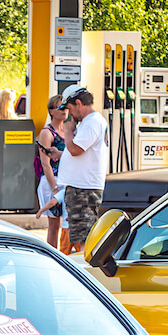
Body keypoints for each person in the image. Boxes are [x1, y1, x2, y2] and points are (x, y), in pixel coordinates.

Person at [57, 85, 108, 252]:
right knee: (82, 235)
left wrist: (68, 131)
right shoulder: (90, 122)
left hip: (83, 190)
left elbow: (75, 150)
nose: (69, 114)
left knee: (83, 239)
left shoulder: (92, 122)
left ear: (78, 103)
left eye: (70, 109)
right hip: (82, 188)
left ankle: (83, 272)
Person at [34, 93, 69, 252]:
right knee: (54, 224)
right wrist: (54, 188)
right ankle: (52, 254)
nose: (64, 110)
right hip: (52, 182)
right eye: (60, 107)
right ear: (51, 111)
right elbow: (45, 164)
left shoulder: (68, 130)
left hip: (66, 180)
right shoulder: (47, 133)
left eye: (66, 107)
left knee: (66, 223)